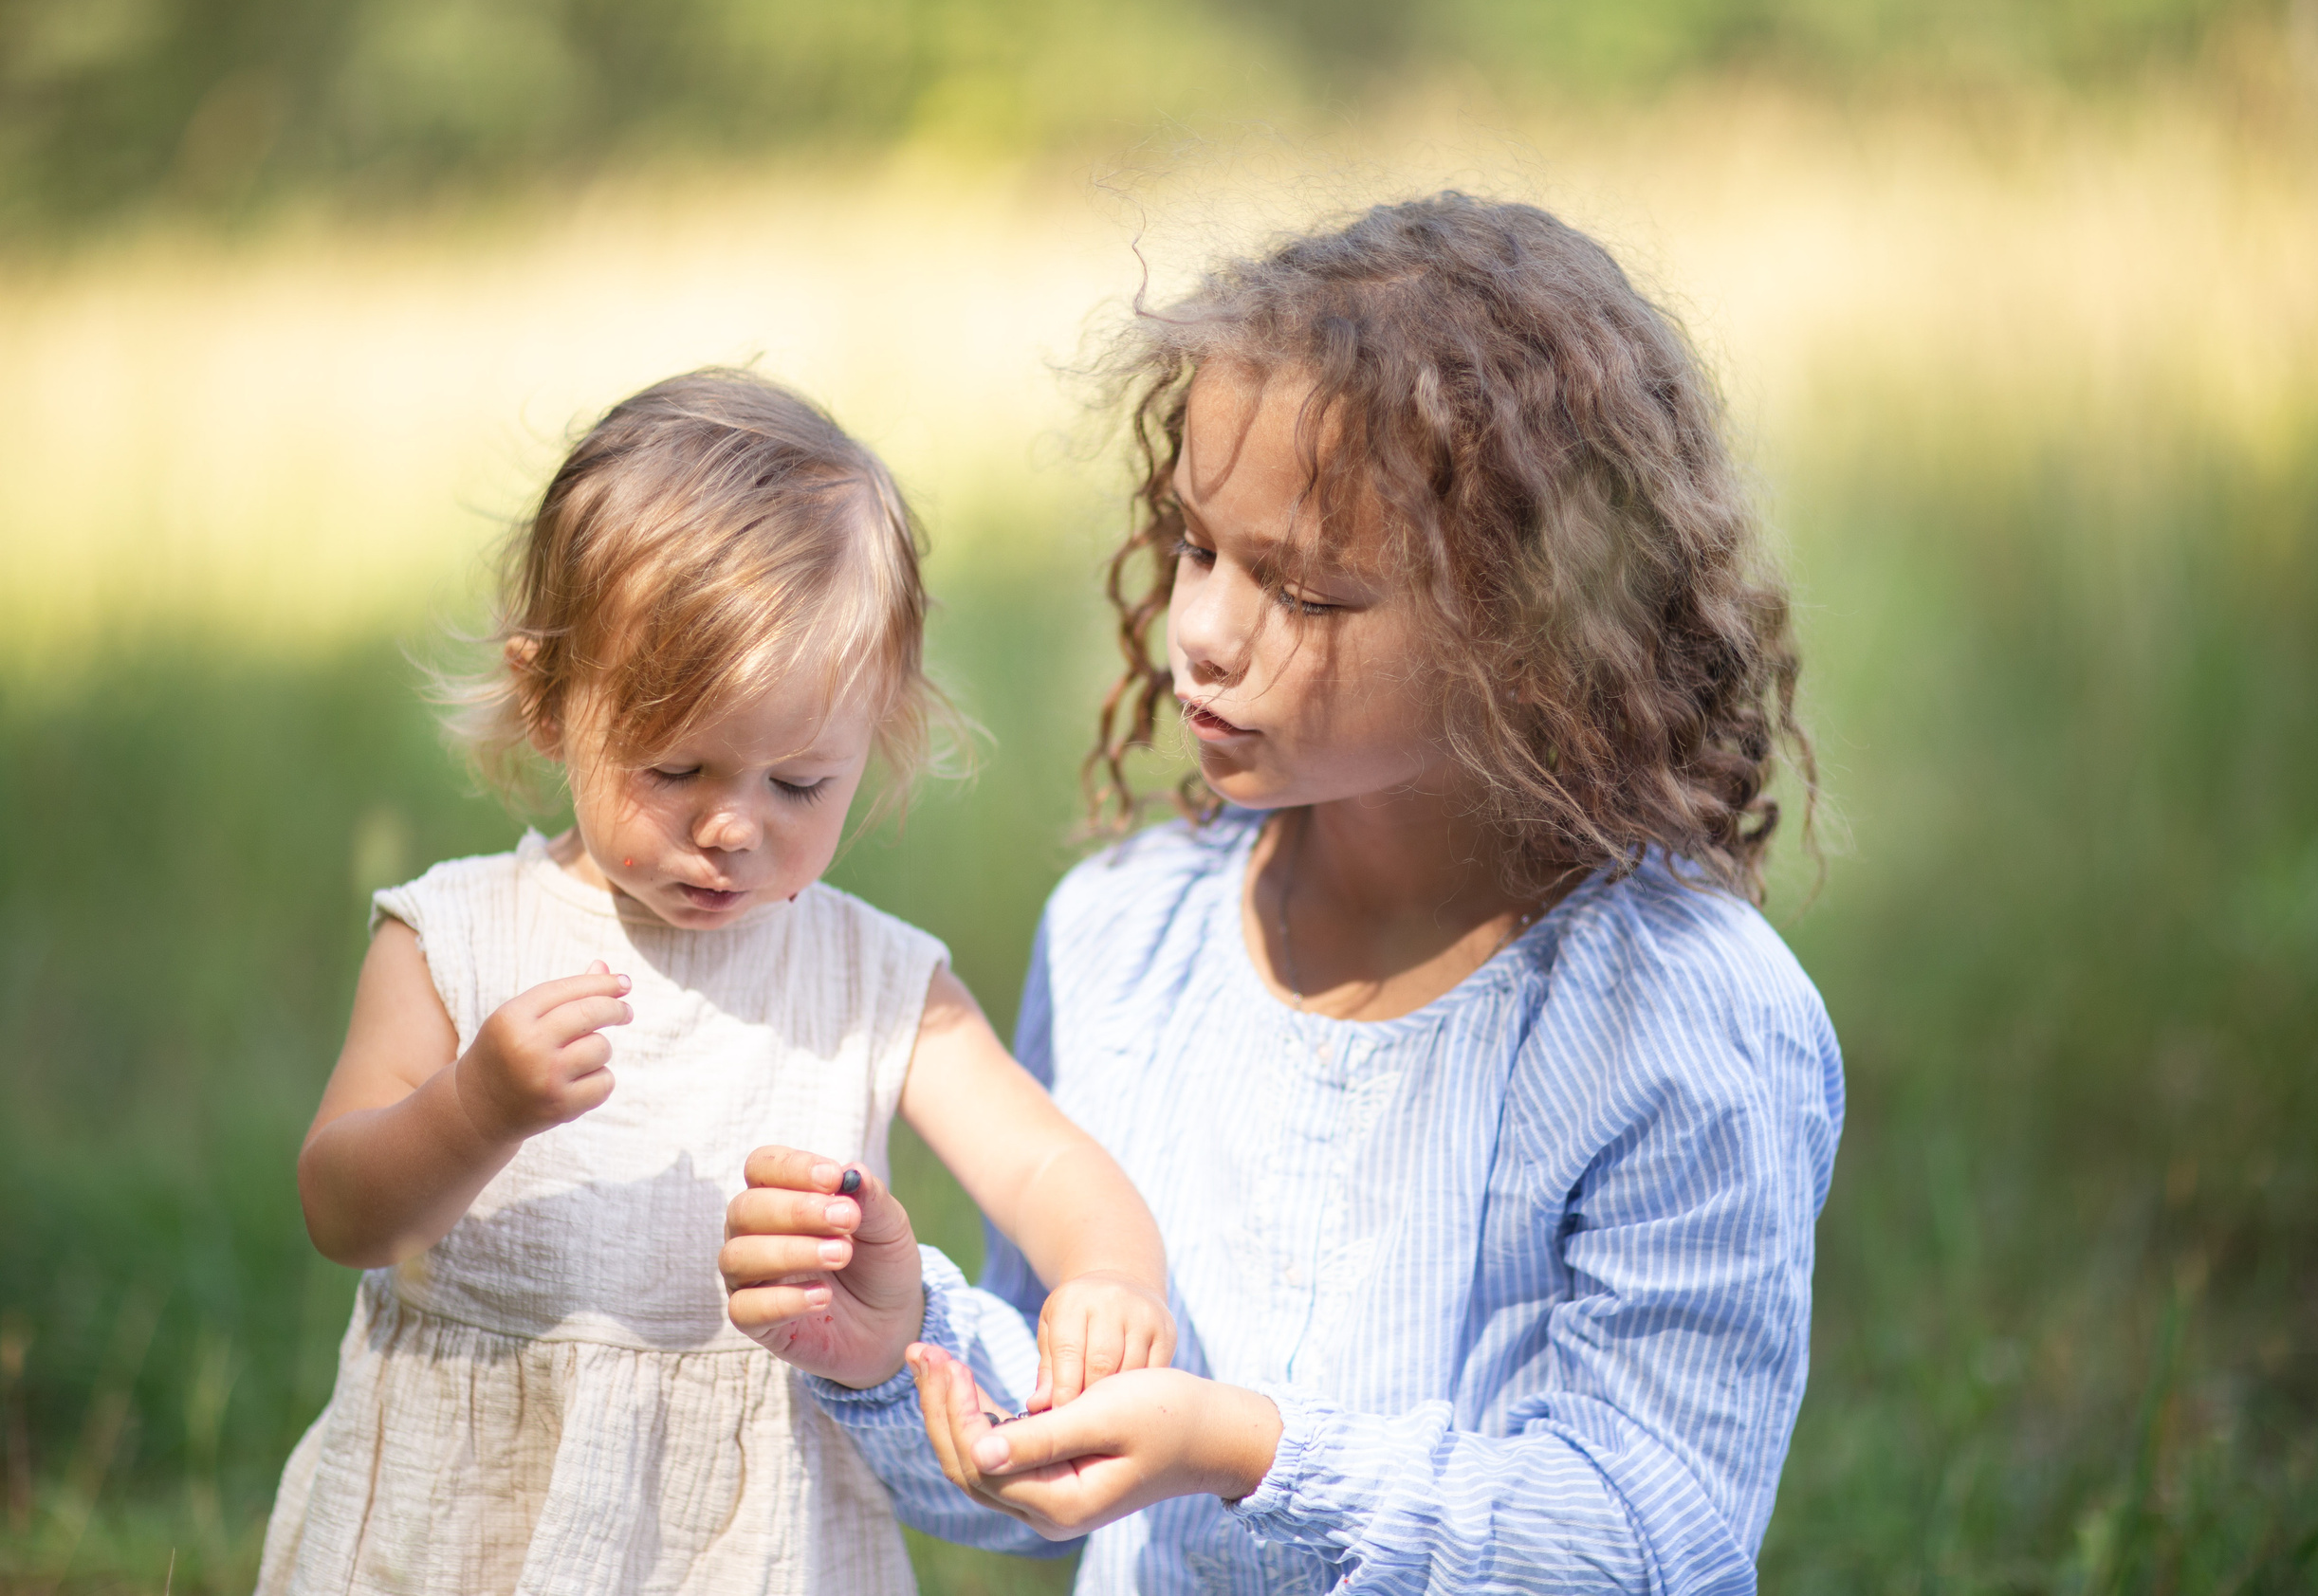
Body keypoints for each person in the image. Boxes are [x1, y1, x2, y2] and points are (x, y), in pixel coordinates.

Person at [721, 194, 1846, 1594]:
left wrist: (1251, 1453)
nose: (1200, 630)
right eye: (1199, 547)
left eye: (1306, 593)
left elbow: (1651, 1536)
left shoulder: (1683, 1017)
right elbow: (1063, 1456)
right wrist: (899, 1346)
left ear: (1532, 630)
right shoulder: (1126, 934)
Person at [256, 370, 1174, 1596]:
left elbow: (1044, 1165)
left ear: (877, 733)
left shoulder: (872, 980)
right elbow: (342, 1212)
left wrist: (1110, 1276)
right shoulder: (454, 938)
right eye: (675, 769)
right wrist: (475, 1109)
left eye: (798, 784)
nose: (734, 827)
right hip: (476, 1528)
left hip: (752, 1546)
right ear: (547, 700)